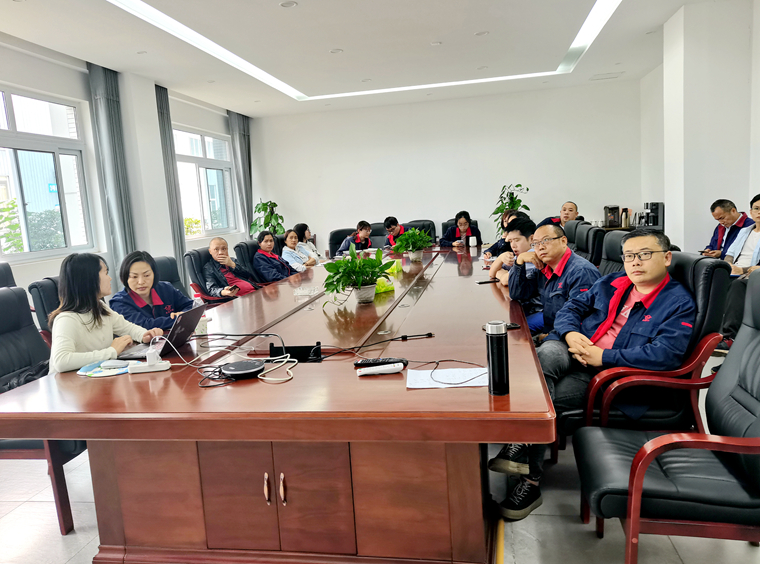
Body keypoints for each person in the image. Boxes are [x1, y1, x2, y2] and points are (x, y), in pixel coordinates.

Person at [491, 228, 696, 521]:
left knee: (544, 398)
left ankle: (530, 477)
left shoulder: (677, 302)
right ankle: (522, 443)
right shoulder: (613, 282)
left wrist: (604, 357)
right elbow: (571, 308)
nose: (635, 262)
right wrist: (570, 333)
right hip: (576, 349)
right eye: (629, 256)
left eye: (644, 254)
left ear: (666, 258)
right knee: (542, 360)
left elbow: (665, 355)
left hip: (611, 376)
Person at [48, 253, 163, 373]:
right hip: (68, 382)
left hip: (96, 376)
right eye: (106, 273)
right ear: (90, 279)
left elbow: (127, 327)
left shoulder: (99, 307)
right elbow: (61, 361)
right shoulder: (67, 319)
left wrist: (144, 335)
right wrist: (112, 351)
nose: (110, 278)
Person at [508, 223, 601, 342]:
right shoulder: (544, 268)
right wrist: (519, 262)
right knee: (512, 335)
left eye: (546, 240)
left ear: (563, 241)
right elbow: (517, 294)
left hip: (571, 336)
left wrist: (549, 337)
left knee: (540, 350)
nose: (540, 247)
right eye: (535, 243)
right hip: (551, 330)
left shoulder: (581, 272)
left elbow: (580, 319)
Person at [714, 194, 760, 354]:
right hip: (735, 271)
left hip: (751, 274)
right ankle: (708, 334)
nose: (759, 212)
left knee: (737, 285)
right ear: (751, 211)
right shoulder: (745, 231)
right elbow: (730, 254)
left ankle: (730, 337)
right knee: (709, 281)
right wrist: (727, 265)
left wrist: (743, 270)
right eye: (756, 208)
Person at [110, 251, 194, 330]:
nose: (141, 282)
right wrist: (178, 319)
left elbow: (191, 306)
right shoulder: (119, 303)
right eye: (134, 277)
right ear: (124, 278)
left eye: (146, 275)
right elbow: (145, 325)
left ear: (154, 274)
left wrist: (182, 313)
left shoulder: (166, 288)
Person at [489, 218, 544, 332]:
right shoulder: (522, 256)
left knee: (514, 329)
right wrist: (500, 258)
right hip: (530, 306)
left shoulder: (532, 256)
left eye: (517, 240)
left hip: (541, 310)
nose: (513, 246)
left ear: (531, 239)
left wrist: (503, 273)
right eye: (510, 241)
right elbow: (492, 273)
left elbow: (505, 280)